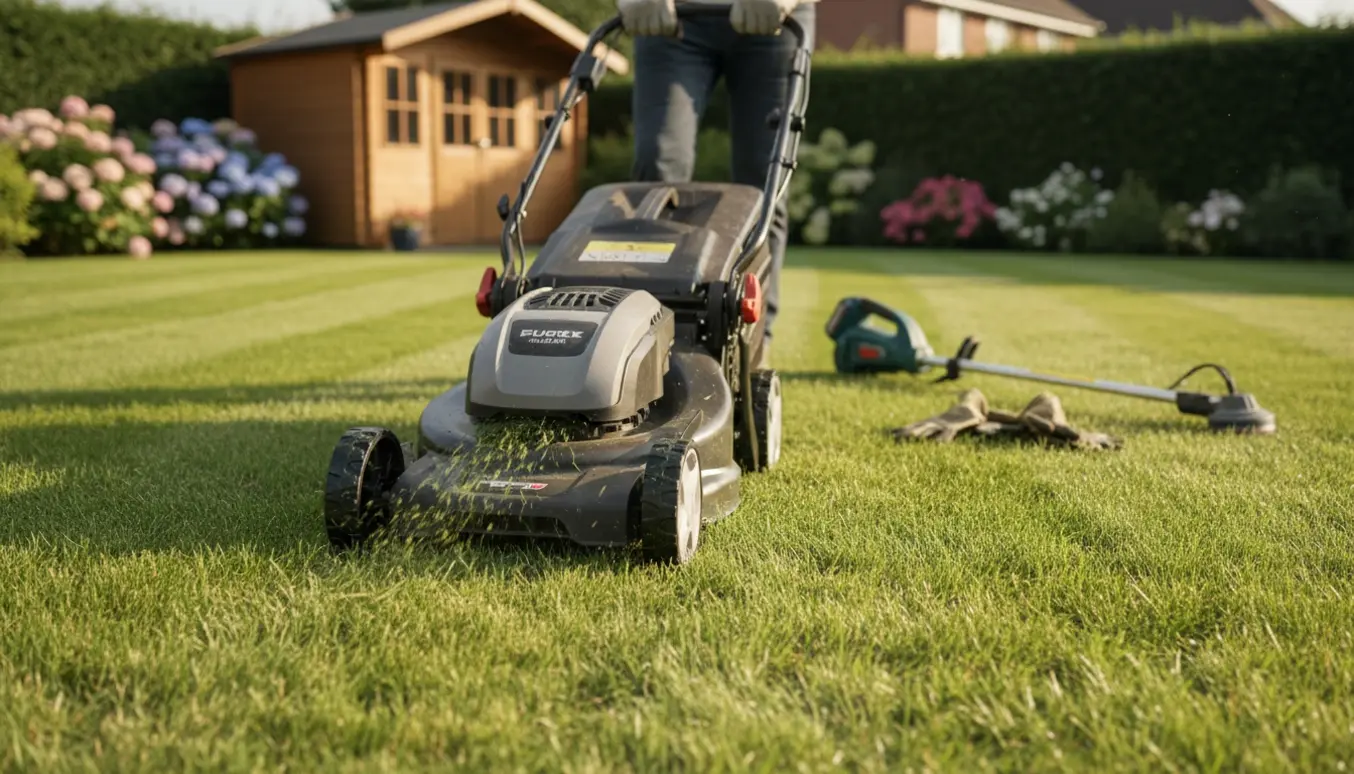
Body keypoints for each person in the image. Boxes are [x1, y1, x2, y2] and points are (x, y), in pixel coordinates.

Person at [617, 0, 816, 367]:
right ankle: (649, 335)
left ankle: (754, 348)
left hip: (775, 20)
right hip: (672, 19)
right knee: (658, 170)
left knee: (766, 185)